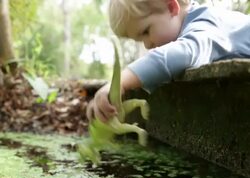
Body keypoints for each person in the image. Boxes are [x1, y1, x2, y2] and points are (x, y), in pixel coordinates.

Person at [86, 0, 250, 122]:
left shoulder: (205, 24)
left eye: (145, 31)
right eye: (139, 40)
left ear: (172, 7)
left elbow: (184, 53)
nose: (147, 44)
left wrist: (121, 81)